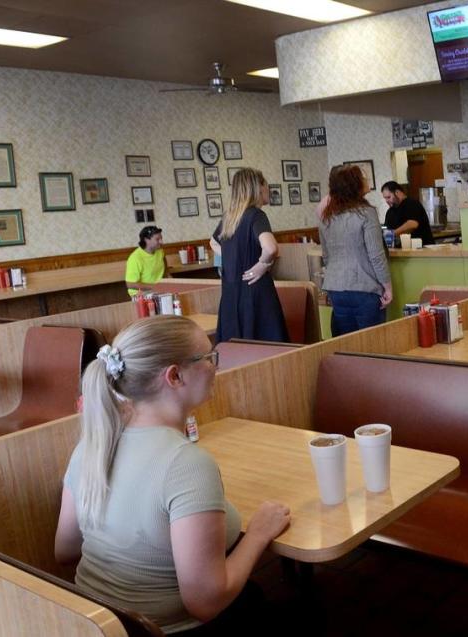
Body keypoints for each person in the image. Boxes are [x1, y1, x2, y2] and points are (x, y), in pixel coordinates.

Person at [54, 315, 291, 635]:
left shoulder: (92, 446)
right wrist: (260, 532)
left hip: (98, 626)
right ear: (175, 376)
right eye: (208, 358)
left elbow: (64, 551)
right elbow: (206, 603)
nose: (215, 367)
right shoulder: (187, 465)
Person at [209, 168, 288, 343]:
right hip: (255, 291)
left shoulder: (229, 217)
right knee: (265, 350)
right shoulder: (256, 215)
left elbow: (213, 242)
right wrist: (262, 265)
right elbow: (270, 247)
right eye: (266, 184)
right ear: (258, 188)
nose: (268, 188)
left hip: (231, 295)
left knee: (237, 350)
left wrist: (232, 256)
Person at [319, 165, 392, 336]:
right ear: (354, 184)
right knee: (372, 347)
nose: (366, 180)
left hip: (335, 288)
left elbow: (326, 255)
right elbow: (376, 255)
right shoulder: (366, 213)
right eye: (363, 177)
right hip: (364, 287)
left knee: (346, 345)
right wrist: (387, 287)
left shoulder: (326, 216)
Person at [380, 181, 435, 246]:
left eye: (388, 197)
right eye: (385, 198)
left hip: (422, 250)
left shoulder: (412, 204)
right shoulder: (390, 212)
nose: (386, 201)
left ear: (397, 192)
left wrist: (393, 233)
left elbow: (412, 224)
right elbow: (387, 231)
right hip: (401, 252)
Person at [125, 225, 168, 296]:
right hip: (141, 294)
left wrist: (168, 276)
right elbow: (130, 284)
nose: (161, 242)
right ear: (146, 240)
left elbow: (164, 263)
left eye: (161, 238)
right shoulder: (135, 258)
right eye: (157, 239)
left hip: (158, 290)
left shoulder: (160, 251)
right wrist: (154, 287)